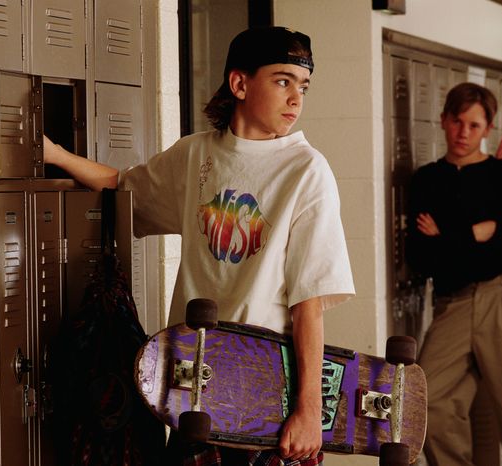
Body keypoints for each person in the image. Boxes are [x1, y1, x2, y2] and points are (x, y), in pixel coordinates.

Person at [43, 26, 355, 466]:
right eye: (282, 81)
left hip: (265, 394)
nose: (296, 99)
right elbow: (122, 186)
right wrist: (55, 155)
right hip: (194, 391)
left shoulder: (307, 171)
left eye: (302, 86)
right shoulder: (196, 156)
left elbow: (309, 303)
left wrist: (308, 411)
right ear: (240, 83)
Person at [405, 82, 502, 466]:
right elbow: (422, 257)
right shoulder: (426, 179)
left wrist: (447, 235)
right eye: (457, 122)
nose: (464, 133)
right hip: (455, 300)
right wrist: (478, 233)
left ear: (488, 129)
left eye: (474, 125)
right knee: (425, 400)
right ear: (444, 120)